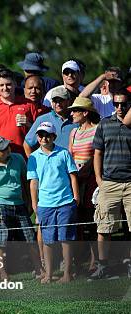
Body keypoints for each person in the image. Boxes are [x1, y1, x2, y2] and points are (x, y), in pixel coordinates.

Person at [0, 136, 44, 281]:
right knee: (0, 241)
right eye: (4, 148)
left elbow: (26, 181)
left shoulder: (18, 158)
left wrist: (29, 202)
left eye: (8, 145)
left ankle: (39, 269)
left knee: (30, 238)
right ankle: (3, 274)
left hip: (19, 204)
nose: (8, 149)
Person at [27, 122, 79, 283]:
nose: (44, 138)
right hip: (45, 204)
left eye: (47, 135)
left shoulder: (63, 153)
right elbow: (33, 182)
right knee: (48, 240)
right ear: (37, 137)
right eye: (41, 135)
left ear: (54, 137)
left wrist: (76, 197)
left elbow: (72, 176)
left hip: (65, 201)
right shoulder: (34, 157)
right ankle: (48, 274)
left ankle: (67, 274)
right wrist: (34, 204)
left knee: (66, 239)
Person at [91, 91, 131, 280]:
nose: (120, 108)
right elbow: (97, 153)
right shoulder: (105, 124)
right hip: (110, 183)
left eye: (123, 104)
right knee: (103, 228)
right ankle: (102, 266)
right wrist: (99, 179)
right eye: (116, 104)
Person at [68, 97, 101, 274]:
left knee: (92, 221)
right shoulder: (73, 132)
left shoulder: (97, 130)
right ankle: (80, 260)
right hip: (76, 181)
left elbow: (97, 155)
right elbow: (70, 155)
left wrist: (84, 170)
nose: (71, 113)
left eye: (75, 110)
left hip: (90, 182)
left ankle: (95, 261)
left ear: (85, 112)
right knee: (78, 221)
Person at [0, 69, 37, 155]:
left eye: (8, 84)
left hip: (22, 158)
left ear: (15, 84)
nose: (5, 88)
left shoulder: (29, 105)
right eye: (1, 85)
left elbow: (39, 133)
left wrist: (29, 124)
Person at [24, 86, 77, 154]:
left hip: (72, 163)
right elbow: (27, 144)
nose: (58, 104)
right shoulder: (42, 119)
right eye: (55, 101)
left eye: (61, 100)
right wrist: (32, 163)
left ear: (69, 101)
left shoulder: (77, 119)